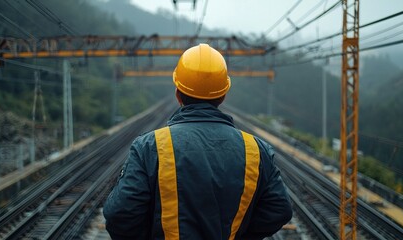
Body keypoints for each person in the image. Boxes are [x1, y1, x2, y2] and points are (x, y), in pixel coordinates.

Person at [103, 43, 292, 239]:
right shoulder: (256, 150)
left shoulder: (150, 147)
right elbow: (280, 210)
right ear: (223, 96)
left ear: (178, 94)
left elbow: (120, 214)